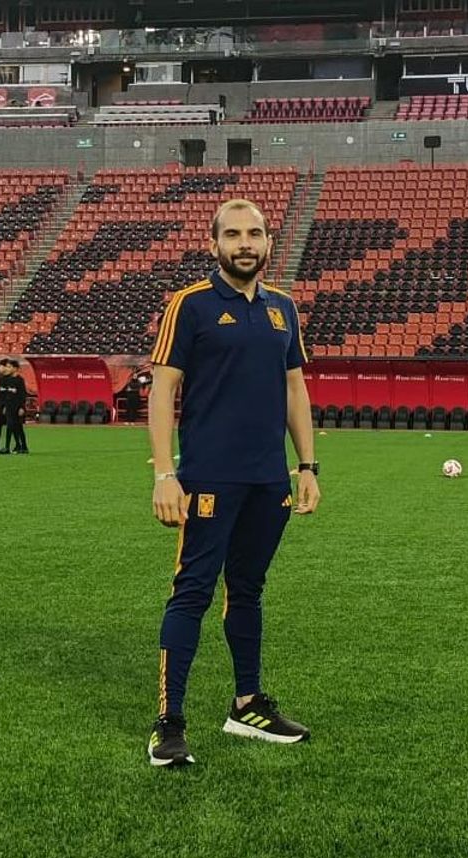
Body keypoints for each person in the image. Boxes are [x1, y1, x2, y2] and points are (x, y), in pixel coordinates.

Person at [144, 198, 322, 767]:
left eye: (256, 234)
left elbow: (296, 389)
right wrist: (165, 474)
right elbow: (161, 389)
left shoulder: (284, 309)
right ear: (214, 243)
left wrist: (308, 466)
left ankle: (247, 705)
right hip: (206, 478)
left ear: (269, 242)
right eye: (234, 234)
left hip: (269, 480)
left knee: (248, 590)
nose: (246, 243)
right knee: (192, 593)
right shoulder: (189, 305)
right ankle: (169, 724)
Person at [0, 358, 29, 454]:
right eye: (7, 367)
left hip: (15, 407)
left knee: (17, 427)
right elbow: (4, 394)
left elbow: (22, 394)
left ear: (15, 368)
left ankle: (20, 446)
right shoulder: (5, 379)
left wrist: (22, 407)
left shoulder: (20, 380)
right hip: (8, 406)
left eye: (9, 367)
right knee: (12, 426)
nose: (8, 369)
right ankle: (17, 446)